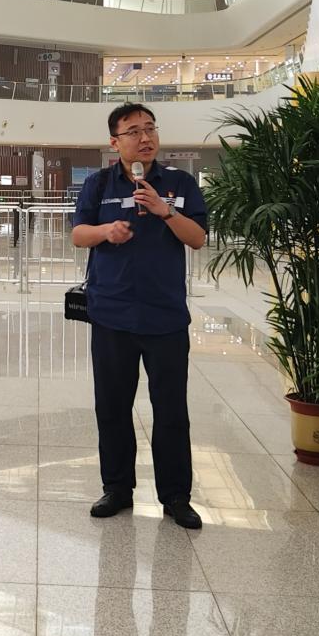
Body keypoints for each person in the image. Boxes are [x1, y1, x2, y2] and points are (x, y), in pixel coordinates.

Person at [70, 102, 208, 530]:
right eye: (133, 131)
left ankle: (176, 496)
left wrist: (166, 211)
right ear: (115, 142)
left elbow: (198, 238)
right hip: (112, 315)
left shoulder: (180, 184)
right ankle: (117, 488)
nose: (145, 137)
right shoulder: (99, 184)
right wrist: (105, 232)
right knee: (112, 407)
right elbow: (78, 234)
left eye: (150, 128)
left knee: (171, 410)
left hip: (165, 316)